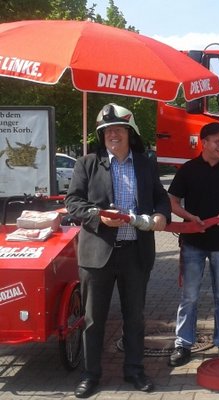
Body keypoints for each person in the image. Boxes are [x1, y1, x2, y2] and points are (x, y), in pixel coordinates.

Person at [65, 103, 171, 398]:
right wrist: (98, 216)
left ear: (129, 132)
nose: (113, 134)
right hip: (97, 255)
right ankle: (91, 374)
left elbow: (161, 199)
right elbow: (73, 203)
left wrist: (162, 215)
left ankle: (134, 370)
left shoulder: (146, 163)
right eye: (107, 130)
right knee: (93, 319)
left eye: (118, 129)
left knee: (135, 317)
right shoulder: (86, 164)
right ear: (102, 135)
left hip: (135, 253)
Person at [167, 122, 219, 367]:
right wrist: (190, 217)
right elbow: (171, 202)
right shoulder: (188, 169)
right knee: (189, 296)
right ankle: (183, 344)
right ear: (204, 143)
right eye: (218, 141)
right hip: (193, 241)